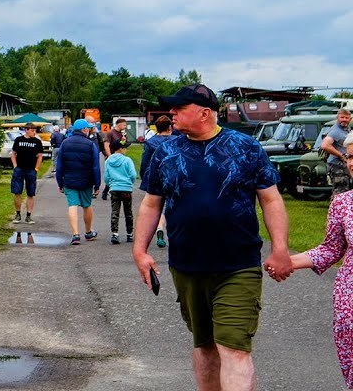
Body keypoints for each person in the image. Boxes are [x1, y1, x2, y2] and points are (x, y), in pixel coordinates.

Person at [133, 84, 292, 391]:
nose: (172, 113)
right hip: (187, 266)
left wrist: (280, 249)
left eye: (180, 108)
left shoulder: (245, 147)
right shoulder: (165, 151)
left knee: (234, 348)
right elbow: (152, 203)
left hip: (238, 266)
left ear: (204, 113)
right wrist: (140, 251)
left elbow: (271, 199)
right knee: (205, 346)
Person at [287, 149, 353, 389]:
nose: (352, 163)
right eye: (351, 157)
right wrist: (287, 262)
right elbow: (331, 249)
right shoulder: (343, 203)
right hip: (349, 299)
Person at [55, 119, 101, 245]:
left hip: (69, 180)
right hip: (86, 180)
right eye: (88, 128)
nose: (89, 130)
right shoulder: (90, 145)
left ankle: (75, 234)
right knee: (87, 205)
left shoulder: (65, 143)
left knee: (72, 205)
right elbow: (95, 167)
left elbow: (59, 165)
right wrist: (97, 184)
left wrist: (60, 182)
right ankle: (88, 232)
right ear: (84, 129)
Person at [139, 115, 174, 248]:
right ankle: (164, 227)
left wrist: (144, 176)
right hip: (172, 176)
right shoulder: (176, 141)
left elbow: (145, 161)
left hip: (155, 177)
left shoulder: (150, 142)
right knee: (170, 205)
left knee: (154, 205)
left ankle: (155, 228)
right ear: (170, 127)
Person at [104, 139, 137, 244]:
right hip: (126, 188)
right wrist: (130, 182)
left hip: (114, 188)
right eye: (124, 148)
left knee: (115, 211)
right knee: (128, 211)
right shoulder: (127, 160)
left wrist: (110, 184)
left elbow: (106, 177)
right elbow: (133, 174)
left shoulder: (108, 161)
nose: (126, 149)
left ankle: (115, 233)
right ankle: (129, 233)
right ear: (120, 149)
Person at [9, 124, 43, 224]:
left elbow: (40, 156)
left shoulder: (37, 142)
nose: (34, 132)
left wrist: (36, 168)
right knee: (17, 192)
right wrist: (15, 166)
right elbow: (13, 154)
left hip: (31, 169)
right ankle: (18, 214)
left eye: (35, 130)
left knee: (30, 193)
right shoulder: (18, 140)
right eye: (32, 130)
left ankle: (28, 216)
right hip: (19, 168)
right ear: (26, 130)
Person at [322, 109, 352, 196]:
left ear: (350, 119)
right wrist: (341, 155)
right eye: (342, 117)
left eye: (346, 118)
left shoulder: (346, 129)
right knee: (340, 192)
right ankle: (336, 205)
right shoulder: (335, 131)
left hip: (343, 165)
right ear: (337, 118)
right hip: (337, 166)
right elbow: (325, 145)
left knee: (345, 191)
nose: (344, 120)